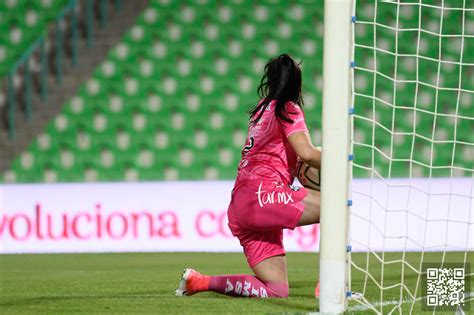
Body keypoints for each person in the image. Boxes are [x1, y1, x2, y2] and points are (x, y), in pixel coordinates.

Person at [176, 54, 321, 298]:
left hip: (241, 205)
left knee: (276, 290)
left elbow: (283, 159)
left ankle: (199, 282)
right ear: (298, 82)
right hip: (265, 195)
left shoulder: (260, 110)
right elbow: (306, 153)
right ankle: (330, 282)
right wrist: (339, 161)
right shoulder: (288, 108)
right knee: (337, 208)